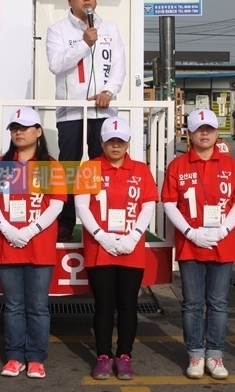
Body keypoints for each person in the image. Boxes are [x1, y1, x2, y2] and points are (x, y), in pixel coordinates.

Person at [0, 107, 66, 379]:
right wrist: (6, 228)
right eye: (14, 128)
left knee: (38, 307)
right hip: (8, 246)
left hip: (39, 247)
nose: (19, 132)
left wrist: (31, 230)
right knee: (13, 306)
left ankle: (37, 358)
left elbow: (56, 204)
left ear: (38, 132)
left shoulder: (49, 165)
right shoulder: (0, 165)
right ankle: (14, 356)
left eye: (25, 127)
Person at [162, 108, 235, 380]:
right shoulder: (178, 165)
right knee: (192, 303)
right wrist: (190, 231)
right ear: (189, 133)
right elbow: (169, 203)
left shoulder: (230, 165)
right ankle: (195, 353)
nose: (205, 134)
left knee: (218, 303)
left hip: (223, 244)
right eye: (199, 129)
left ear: (217, 132)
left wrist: (223, 229)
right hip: (191, 244)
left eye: (209, 128)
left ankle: (216, 354)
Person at [74, 116, 158, 380]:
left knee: (128, 305)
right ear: (101, 142)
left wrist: (134, 235)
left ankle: (124, 355)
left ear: (128, 142)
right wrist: (101, 236)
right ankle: (102, 355)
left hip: (131, 247)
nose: (116, 146)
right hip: (100, 248)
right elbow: (81, 206)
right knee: (103, 305)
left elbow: (148, 205)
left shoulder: (140, 169)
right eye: (110, 141)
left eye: (120, 141)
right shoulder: (90, 168)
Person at [46, 0, 126, 241]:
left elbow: (119, 66)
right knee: (69, 167)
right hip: (71, 113)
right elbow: (56, 65)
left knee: (99, 166)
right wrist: (84, 43)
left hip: (103, 111)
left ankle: (99, 217)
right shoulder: (57, 30)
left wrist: (109, 92)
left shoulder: (110, 28)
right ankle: (66, 222)